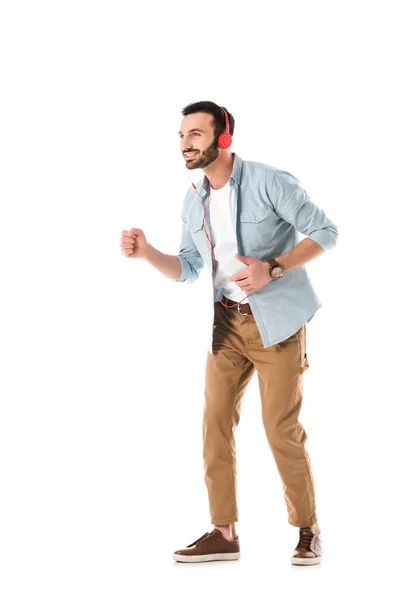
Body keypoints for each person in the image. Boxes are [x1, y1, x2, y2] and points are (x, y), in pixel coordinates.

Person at [120, 101, 338, 565]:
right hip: (225, 324)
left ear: (223, 138)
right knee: (214, 424)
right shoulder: (193, 197)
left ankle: (308, 528)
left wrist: (274, 268)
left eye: (196, 134)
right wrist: (147, 253)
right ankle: (224, 532)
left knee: (280, 428)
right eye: (181, 136)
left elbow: (325, 231)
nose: (185, 144)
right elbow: (189, 268)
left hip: (275, 325)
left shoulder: (268, 180)